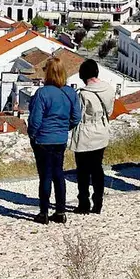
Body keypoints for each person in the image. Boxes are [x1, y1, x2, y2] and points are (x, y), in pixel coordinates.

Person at [27, 59, 82, 224]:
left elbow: (35, 120)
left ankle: (43, 213)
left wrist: (32, 135)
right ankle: (60, 211)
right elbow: (76, 117)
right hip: (60, 138)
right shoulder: (70, 93)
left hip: (43, 138)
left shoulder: (42, 94)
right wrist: (64, 128)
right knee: (58, 174)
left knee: (45, 175)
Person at [69, 59, 116, 214]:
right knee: (97, 168)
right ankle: (98, 202)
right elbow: (109, 110)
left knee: (82, 171)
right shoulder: (109, 88)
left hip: (85, 132)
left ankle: (84, 203)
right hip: (101, 131)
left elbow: (78, 116)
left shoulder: (83, 94)